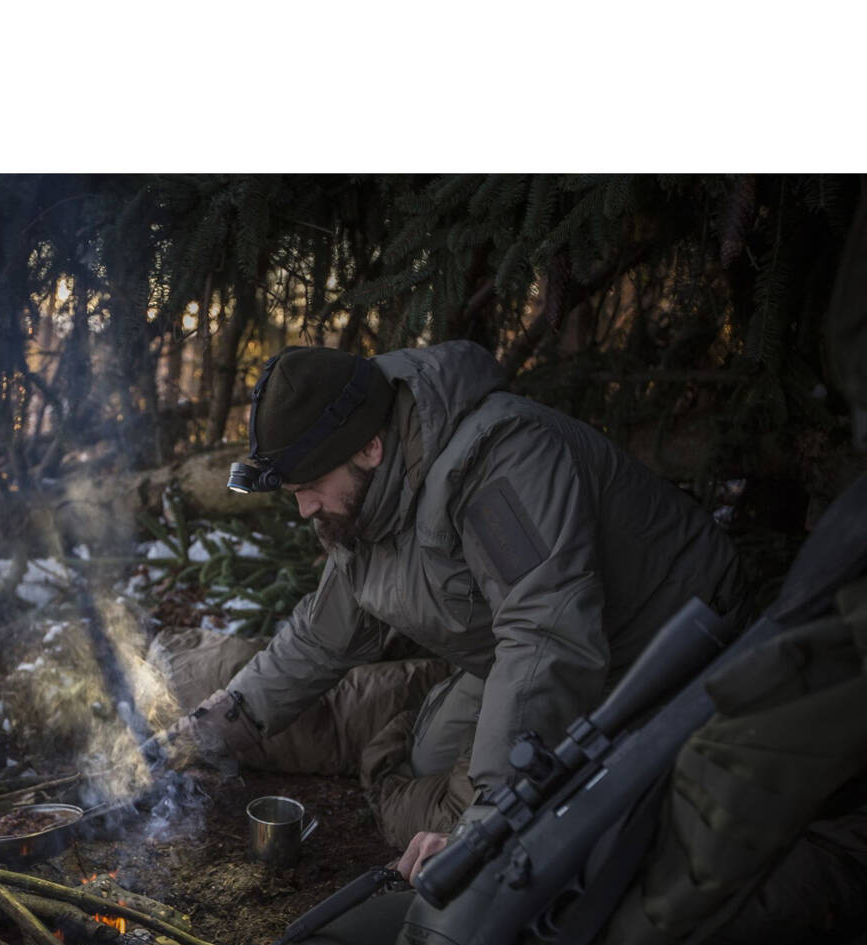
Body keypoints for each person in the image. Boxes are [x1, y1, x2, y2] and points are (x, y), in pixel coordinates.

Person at [164, 341, 752, 882]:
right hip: (518, 652)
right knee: (427, 758)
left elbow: (547, 634)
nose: (305, 510)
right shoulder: (367, 498)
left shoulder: (500, 463)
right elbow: (322, 638)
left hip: (662, 650)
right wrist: (219, 727)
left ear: (369, 447)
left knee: (462, 825)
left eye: (311, 485)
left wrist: (489, 818)